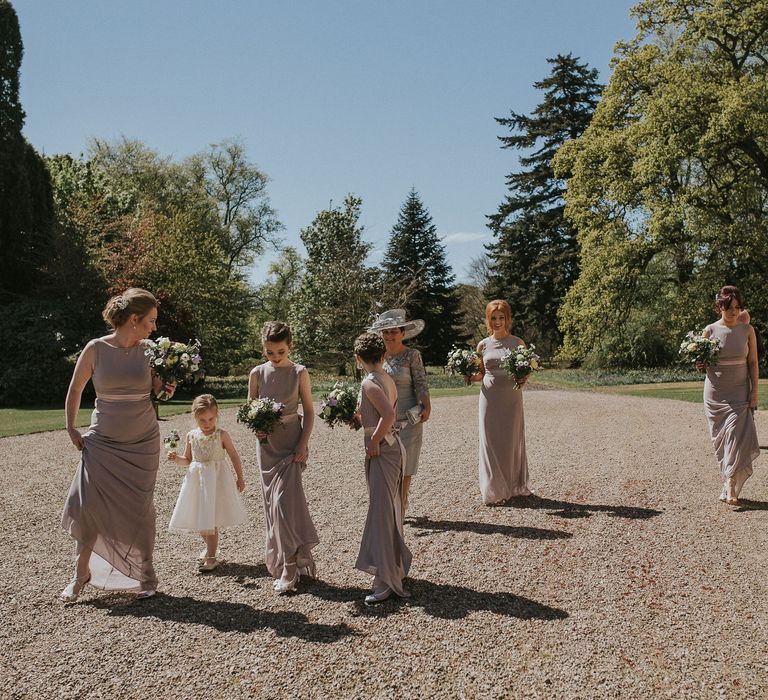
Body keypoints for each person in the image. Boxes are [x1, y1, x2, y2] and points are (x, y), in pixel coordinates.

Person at [60, 288, 174, 602]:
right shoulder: (95, 348)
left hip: (142, 441)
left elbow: (161, 394)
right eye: (150, 321)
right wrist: (70, 427)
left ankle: (144, 575)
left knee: (140, 510)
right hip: (103, 441)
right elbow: (75, 389)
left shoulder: (151, 350)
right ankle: (80, 573)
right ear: (133, 319)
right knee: (89, 507)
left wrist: (168, 387)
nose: (154, 327)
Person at [248, 321, 318, 593]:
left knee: (284, 506)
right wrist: (258, 429)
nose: (275, 358)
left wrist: (303, 444)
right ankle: (289, 561)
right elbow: (250, 409)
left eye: (280, 352)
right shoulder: (256, 373)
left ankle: (290, 567)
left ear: (290, 346)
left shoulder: (299, 372)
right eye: (269, 353)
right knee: (272, 508)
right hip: (267, 447)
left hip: (291, 444)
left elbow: (310, 412)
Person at [353, 332, 413, 603]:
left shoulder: (369, 382)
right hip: (392, 448)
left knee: (381, 512)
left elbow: (388, 415)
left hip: (384, 450)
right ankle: (394, 569)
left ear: (358, 359)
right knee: (388, 509)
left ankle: (386, 579)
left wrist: (374, 441)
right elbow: (378, 414)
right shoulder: (386, 378)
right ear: (383, 354)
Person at [167, 394, 247, 571]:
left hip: (216, 481)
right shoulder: (191, 435)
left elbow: (234, 455)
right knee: (200, 519)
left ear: (217, 415)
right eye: (202, 419)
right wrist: (176, 458)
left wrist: (240, 477)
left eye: (210, 419)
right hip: (197, 481)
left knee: (209, 520)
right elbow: (187, 460)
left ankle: (211, 557)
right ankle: (210, 548)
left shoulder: (221, 435)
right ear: (194, 416)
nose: (206, 423)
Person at [468, 300, 533, 506]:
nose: (497, 322)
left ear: (508, 319)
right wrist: (469, 375)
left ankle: (512, 486)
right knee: (490, 441)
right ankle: (494, 489)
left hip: (511, 399)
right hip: (489, 399)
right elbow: (479, 374)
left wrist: (524, 378)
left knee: (510, 440)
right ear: (488, 320)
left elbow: (526, 371)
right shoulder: (483, 345)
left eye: (501, 317)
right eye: (493, 318)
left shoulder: (518, 343)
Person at [700, 286, 760, 505]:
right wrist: (699, 362)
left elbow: (753, 362)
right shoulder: (709, 331)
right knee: (721, 441)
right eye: (729, 308)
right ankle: (728, 481)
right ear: (720, 307)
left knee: (735, 436)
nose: (734, 312)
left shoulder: (748, 330)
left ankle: (730, 484)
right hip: (716, 393)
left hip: (739, 391)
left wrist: (755, 392)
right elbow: (703, 363)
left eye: (737, 307)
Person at [368, 309, 431, 512]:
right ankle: (390, 503)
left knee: (406, 462)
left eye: (393, 331)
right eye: (385, 332)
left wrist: (426, 404)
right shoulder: (376, 357)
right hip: (384, 418)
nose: (389, 336)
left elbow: (420, 383)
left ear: (402, 333)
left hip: (409, 417)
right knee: (388, 462)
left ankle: (402, 502)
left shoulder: (412, 355)